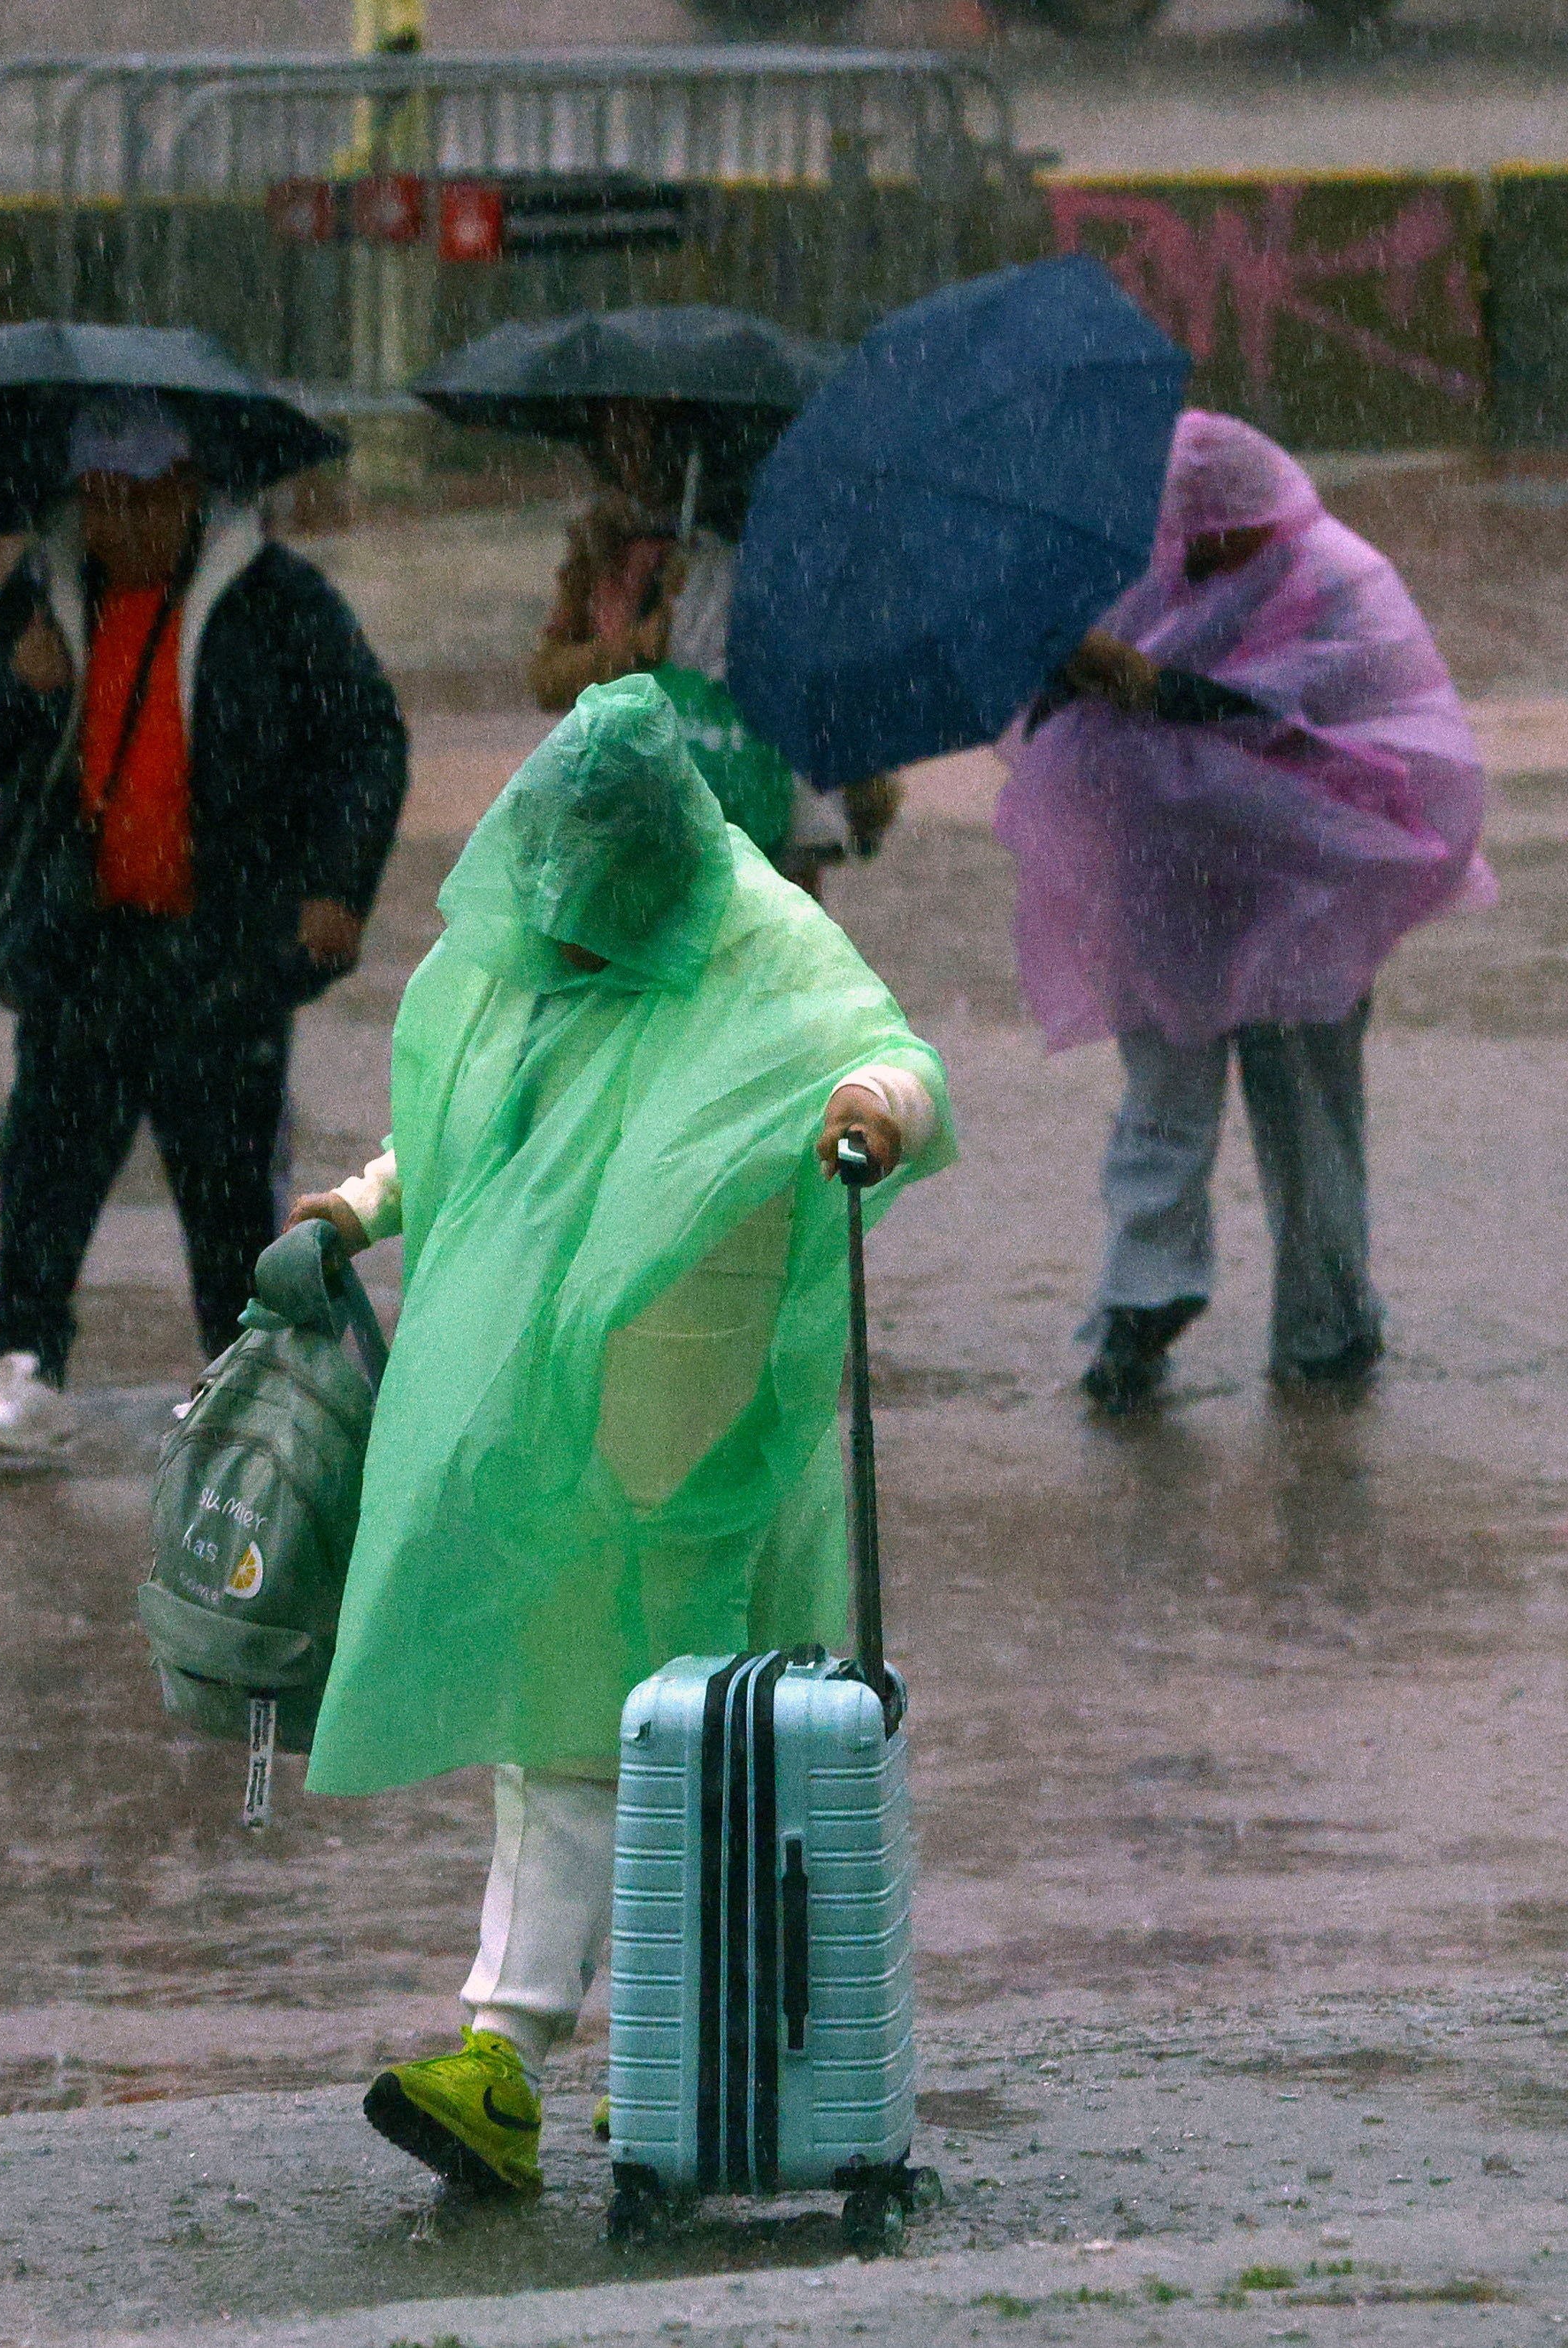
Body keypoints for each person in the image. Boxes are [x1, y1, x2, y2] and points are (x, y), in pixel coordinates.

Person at [282, 676, 951, 2197]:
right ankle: (559, 2052)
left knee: (670, 1736)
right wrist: (353, 1207)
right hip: (553, 1410)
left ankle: (618, 2055)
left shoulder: (760, 941)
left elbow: (888, 1051)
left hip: (707, 1419)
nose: (565, 931)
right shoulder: (535, 938)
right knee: (580, 1725)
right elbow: (463, 1117)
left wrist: (867, 1107)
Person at [0, 390, 409, 1452]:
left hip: (226, 946)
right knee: (46, 1167)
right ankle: (23, 1367)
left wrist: (336, 888)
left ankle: (240, 1385)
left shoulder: (279, 600)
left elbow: (368, 741)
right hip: (79, 941)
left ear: (195, 493)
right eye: (102, 500)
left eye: (147, 499)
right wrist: (19, 687)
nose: (124, 525)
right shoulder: (43, 597)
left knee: (229, 1180)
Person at [999, 413, 1491, 1417]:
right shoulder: (1153, 566)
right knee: (1163, 1097)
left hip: (1306, 890)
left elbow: (1317, 705)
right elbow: (1068, 693)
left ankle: (1325, 1332)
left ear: (1251, 516)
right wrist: (1077, 664)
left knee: (1306, 1108)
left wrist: (1153, 685)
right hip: (1170, 881)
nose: (1196, 551)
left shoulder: (1339, 578)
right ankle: (1142, 1307)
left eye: (1209, 532)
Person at [527, 398, 898, 894]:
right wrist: (636, 648)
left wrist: (863, 798)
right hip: (638, 838)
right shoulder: (601, 548)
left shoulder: (771, 544)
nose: (624, 444)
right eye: (611, 426)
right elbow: (548, 680)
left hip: (763, 852)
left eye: (640, 428)